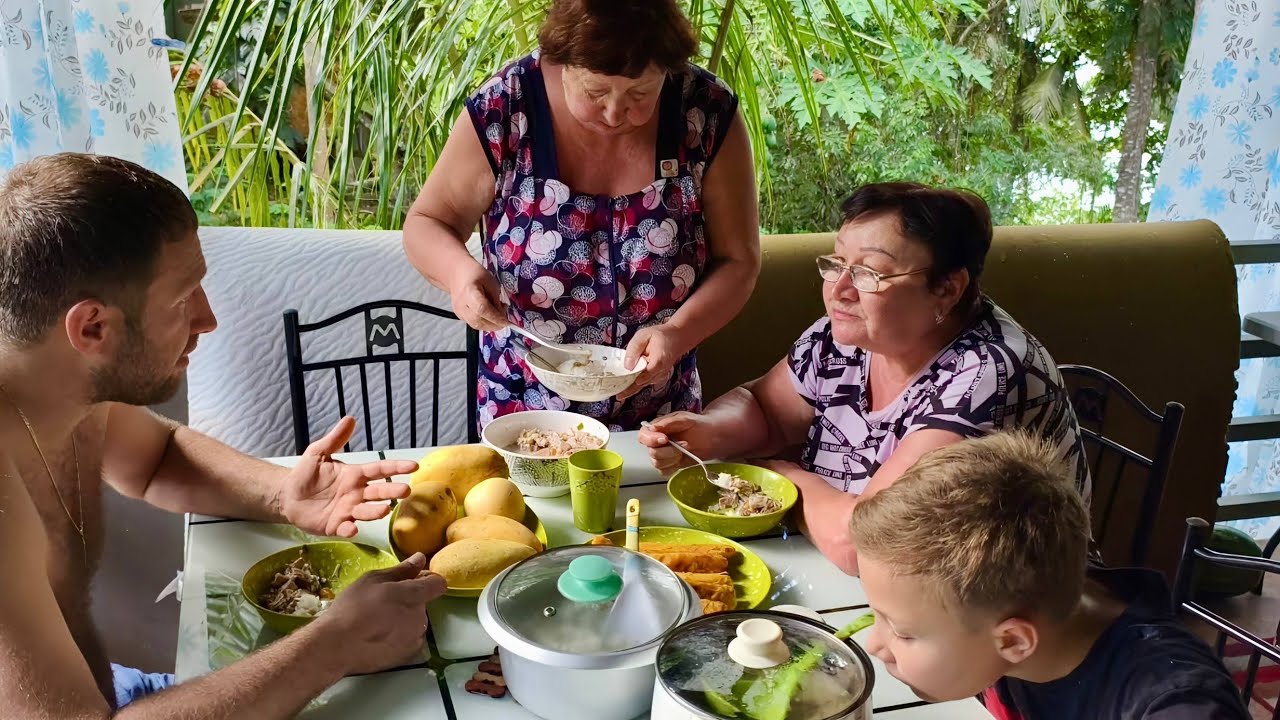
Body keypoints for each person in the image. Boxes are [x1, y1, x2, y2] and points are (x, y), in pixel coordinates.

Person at [0, 153, 446, 719]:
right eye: (182, 298)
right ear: (92, 327)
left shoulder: (59, 379)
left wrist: (282, 493)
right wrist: (336, 642)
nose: (207, 319)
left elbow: (156, 460)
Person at [640, 182, 1089, 573]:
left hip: (993, 622)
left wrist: (778, 476)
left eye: (869, 272)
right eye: (836, 264)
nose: (839, 290)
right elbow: (767, 409)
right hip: (856, 582)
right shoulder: (849, 337)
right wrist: (706, 433)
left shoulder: (986, 374)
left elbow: (865, 545)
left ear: (948, 288)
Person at [403, 0, 761, 430]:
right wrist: (459, 274)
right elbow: (427, 223)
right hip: (524, 408)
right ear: (561, 63)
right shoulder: (507, 106)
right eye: (595, 93)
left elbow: (738, 261)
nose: (614, 113)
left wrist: (677, 334)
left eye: (640, 94)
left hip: (660, 413)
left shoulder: (706, 113)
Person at [849, 432, 1248, 719]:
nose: (875, 644)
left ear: (1013, 641)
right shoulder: (1015, 593)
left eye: (901, 631)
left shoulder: (1175, 703)